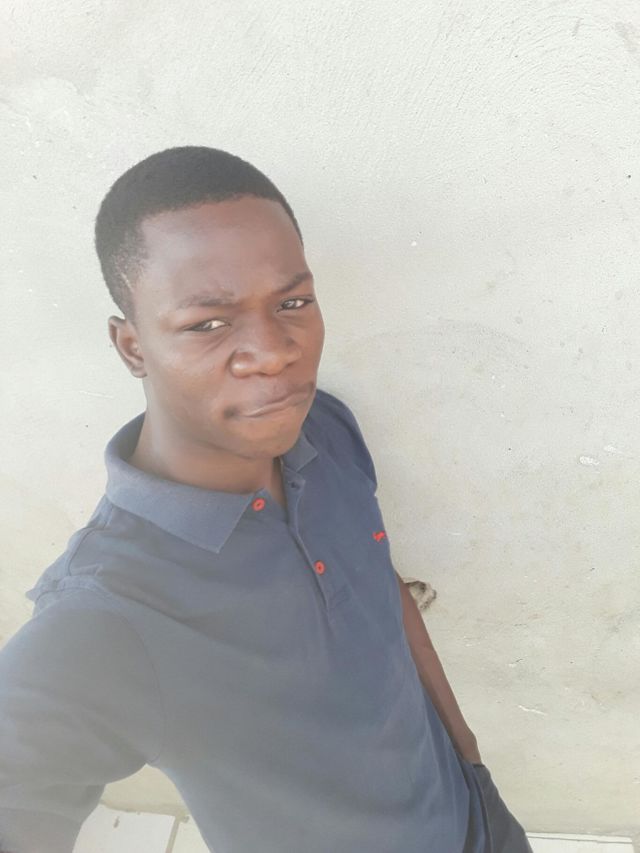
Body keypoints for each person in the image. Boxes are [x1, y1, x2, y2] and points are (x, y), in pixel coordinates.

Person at [0, 147, 532, 853]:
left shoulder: (324, 430)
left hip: (479, 822)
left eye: (292, 303)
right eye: (208, 323)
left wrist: (470, 759)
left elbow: (380, 585)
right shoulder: (110, 617)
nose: (275, 351)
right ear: (132, 347)